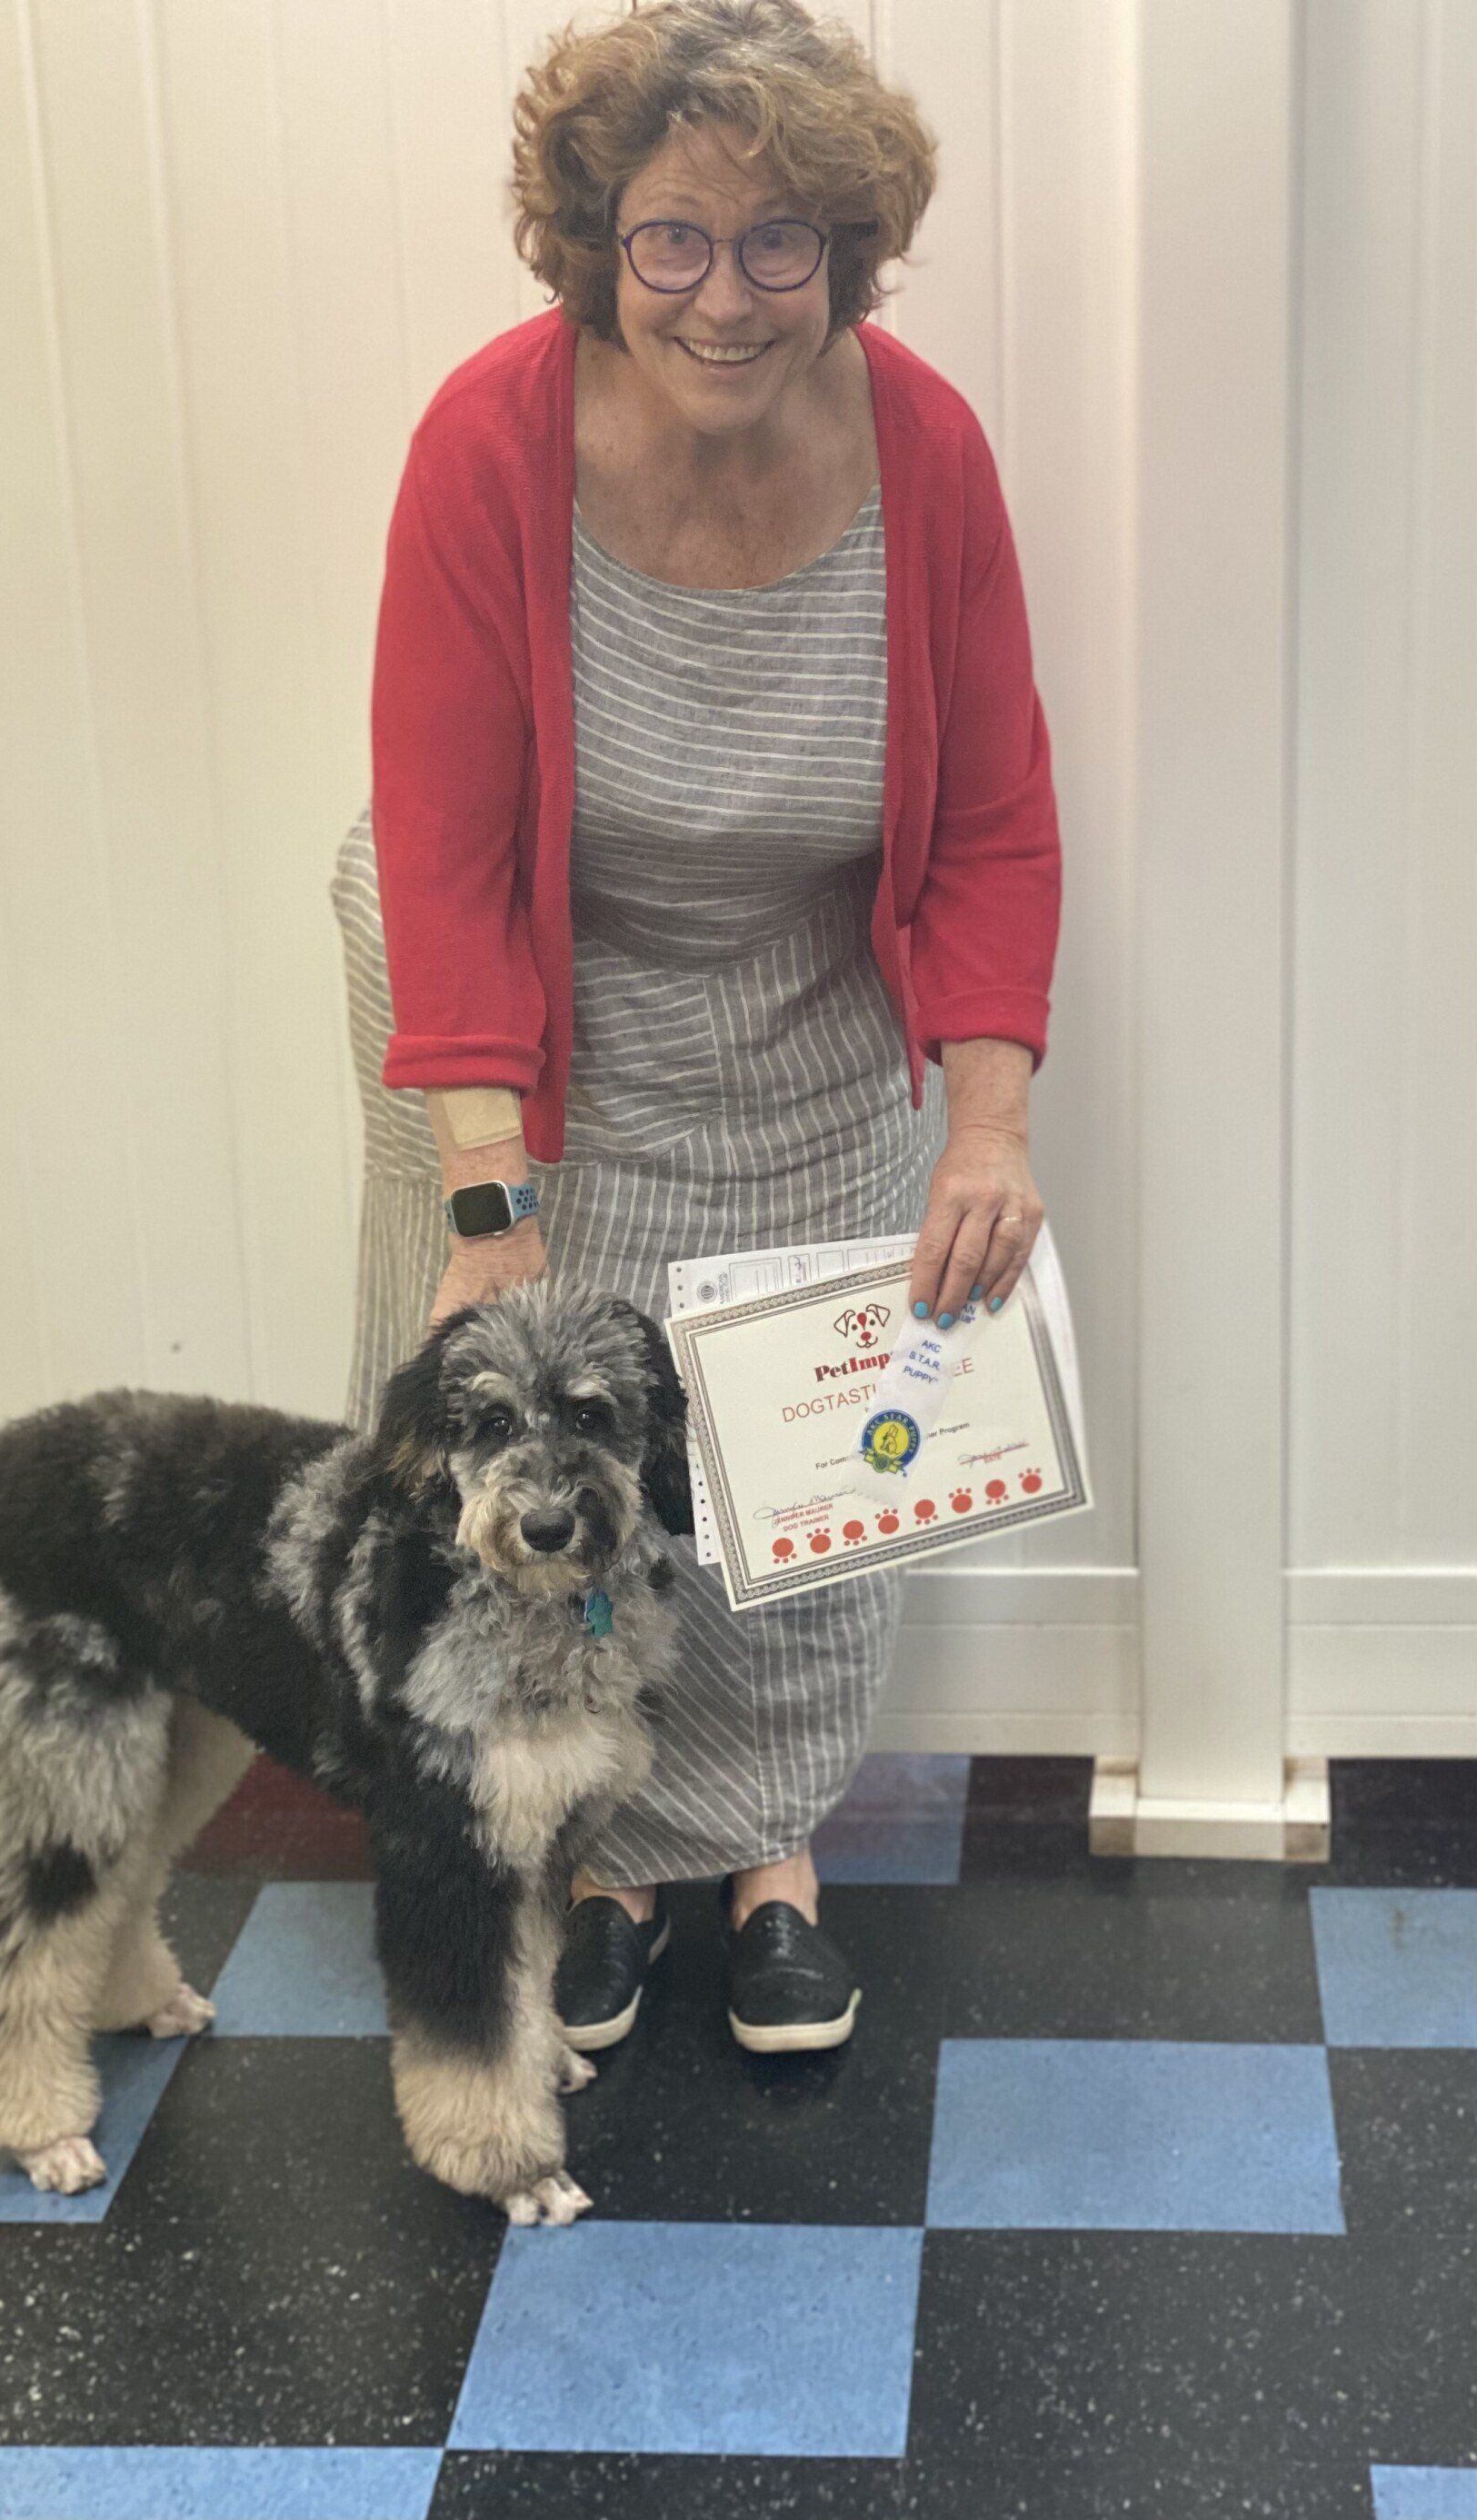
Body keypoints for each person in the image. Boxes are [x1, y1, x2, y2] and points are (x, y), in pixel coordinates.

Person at [330, 0, 1060, 2056]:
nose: (725, 297)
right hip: (543, 1021)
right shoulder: (492, 442)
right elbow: (445, 839)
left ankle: (777, 1858)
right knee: (576, 1482)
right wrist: (486, 1189)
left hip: (811, 1010)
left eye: (778, 244)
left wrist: (986, 1126)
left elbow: (995, 815)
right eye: (672, 238)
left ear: (848, 250)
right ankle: (619, 1853)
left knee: (810, 1473)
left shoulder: (924, 448)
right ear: (591, 240)